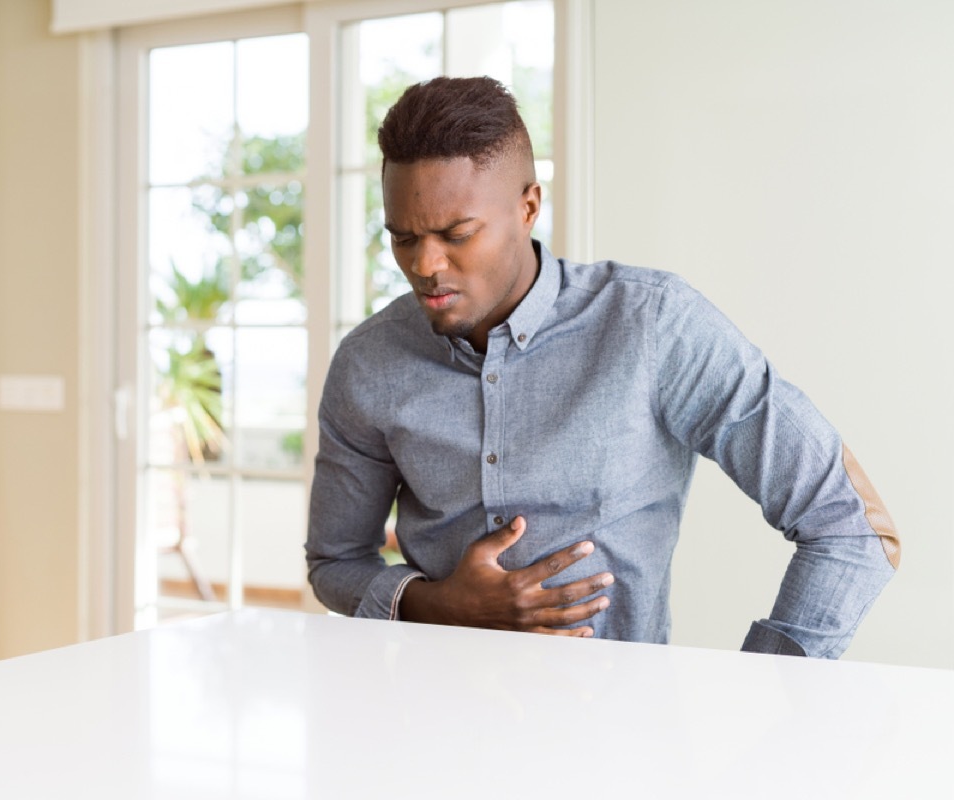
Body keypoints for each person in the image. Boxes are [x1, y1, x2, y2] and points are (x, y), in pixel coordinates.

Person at [305, 76, 899, 657]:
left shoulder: (653, 325)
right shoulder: (369, 361)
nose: (426, 264)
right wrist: (437, 606)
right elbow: (335, 561)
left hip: (618, 731)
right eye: (403, 238)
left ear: (528, 206)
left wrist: (763, 689)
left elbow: (850, 526)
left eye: (456, 234)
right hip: (418, 722)